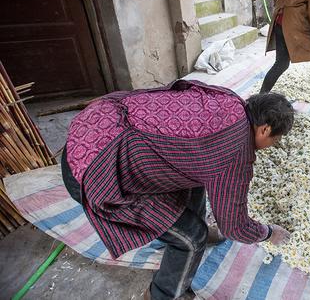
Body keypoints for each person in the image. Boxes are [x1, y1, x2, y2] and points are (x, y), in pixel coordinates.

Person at [60, 80, 294, 300]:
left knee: (197, 179)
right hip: (96, 172)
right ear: (264, 129)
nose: (273, 145)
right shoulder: (236, 152)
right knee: (192, 238)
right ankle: (163, 295)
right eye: (276, 139)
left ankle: (191, 226)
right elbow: (234, 227)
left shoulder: (228, 99)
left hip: (93, 126)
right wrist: (268, 232)